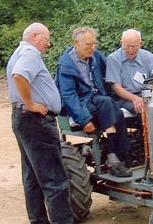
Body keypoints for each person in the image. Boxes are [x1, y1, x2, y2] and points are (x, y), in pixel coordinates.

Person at [7, 22, 91, 224]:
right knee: (54, 176)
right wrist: (32, 104)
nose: (48, 43)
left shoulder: (18, 52)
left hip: (22, 119)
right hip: (36, 120)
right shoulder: (30, 53)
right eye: (46, 38)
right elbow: (19, 76)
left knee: (33, 175)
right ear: (35, 36)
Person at [55, 27, 132, 177]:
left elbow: (112, 69)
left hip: (98, 99)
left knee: (115, 109)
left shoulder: (95, 56)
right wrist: (84, 120)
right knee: (107, 103)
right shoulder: (65, 65)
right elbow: (69, 96)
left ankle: (120, 155)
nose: (93, 47)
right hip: (81, 103)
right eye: (88, 45)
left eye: (94, 43)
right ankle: (114, 157)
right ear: (76, 42)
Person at [106, 29, 153, 114]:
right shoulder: (113, 59)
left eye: (134, 47)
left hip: (145, 94)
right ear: (121, 43)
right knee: (142, 109)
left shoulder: (149, 57)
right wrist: (135, 99)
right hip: (123, 98)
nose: (130, 50)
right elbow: (117, 88)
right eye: (127, 46)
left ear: (140, 44)